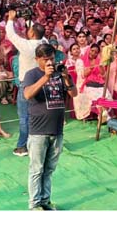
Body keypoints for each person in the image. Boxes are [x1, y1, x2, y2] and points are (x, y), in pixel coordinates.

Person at [22, 43, 78, 211]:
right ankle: (34, 204)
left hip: (57, 129)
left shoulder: (60, 72)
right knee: (36, 169)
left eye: (52, 59)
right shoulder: (31, 74)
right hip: (38, 130)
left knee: (49, 169)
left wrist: (67, 77)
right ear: (37, 59)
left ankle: (45, 201)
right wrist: (46, 77)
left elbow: (74, 93)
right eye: (45, 60)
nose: (49, 63)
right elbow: (27, 94)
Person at [6, 10, 46, 156]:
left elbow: (11, 35)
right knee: (39, 114)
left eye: (29, 30)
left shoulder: (26, 46)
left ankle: (22, 146)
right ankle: (38, 143)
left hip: (27, 85)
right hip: (42, 83)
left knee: (24, 116)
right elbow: (39, 33)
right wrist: (30, 22)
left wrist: (11, 19)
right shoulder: (44, 43)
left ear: (31, 34)